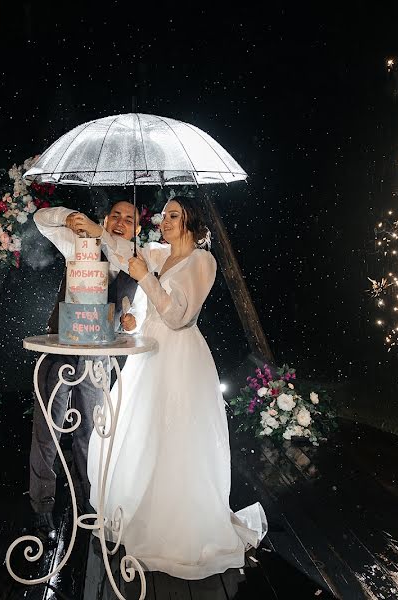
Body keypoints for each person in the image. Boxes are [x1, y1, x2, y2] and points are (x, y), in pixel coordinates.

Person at [78, 195, 267, 579]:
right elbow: (122, 250)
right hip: (147, 356)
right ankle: (140, 515)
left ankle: (177, 530)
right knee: (140, 437)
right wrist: (98, 232)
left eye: (174, 216)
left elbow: (179, 316)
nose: (164, 221)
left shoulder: (203, 261)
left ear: (192, 222)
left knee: (176, 440)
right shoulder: (158, 253)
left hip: (180, 358)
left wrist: (145, 278)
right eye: (163, 215)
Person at [26, 200, 146, 544]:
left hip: (97, 359)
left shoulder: (132, 260)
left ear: (137, 229)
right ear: (105, 218)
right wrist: (69, 218)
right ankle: (42, 507)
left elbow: (138, 312)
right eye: (116, 217)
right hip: (62, 350)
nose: (121, 223)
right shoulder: (81, 242)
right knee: (47, 429)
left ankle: (89, 502)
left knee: (91, 434)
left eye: (129, 219)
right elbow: (41, 219)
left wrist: (131, 323)